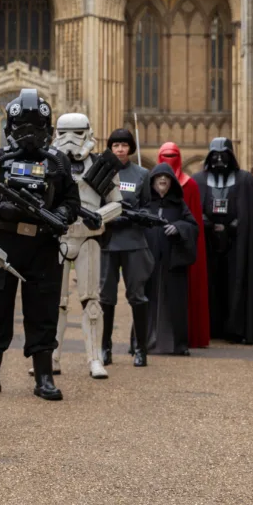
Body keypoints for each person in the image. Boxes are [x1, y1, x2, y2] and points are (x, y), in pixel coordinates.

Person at [0, 89, 80, 400]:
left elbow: (72, 201)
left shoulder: (58, 161)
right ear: (10, 129)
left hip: (43, 243)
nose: (29, 135)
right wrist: (0, 208)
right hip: (4, 241)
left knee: (44, 308)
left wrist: (59, 213)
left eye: (36, 128)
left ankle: (43, 376)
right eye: (23, 128)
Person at [48, 113, 122, 379]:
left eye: (77, 133)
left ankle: (94, 358)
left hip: (88, 237)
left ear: (88, 133)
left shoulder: (100, 166)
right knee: (56, 302)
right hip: (59, 236)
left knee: (91, 301)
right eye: (65, 133)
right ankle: (51, 357)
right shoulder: (51, 164)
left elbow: (117, 202)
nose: (70, 140)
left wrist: (100, 216)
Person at [192, 138, 253, 345]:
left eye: (223, 155)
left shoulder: (244, 179)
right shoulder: (199, 180)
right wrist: (206, 222)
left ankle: (236, 327)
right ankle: (211, 326)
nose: (219, 159)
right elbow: (191, 211)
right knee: (210, 283)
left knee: (236, 283)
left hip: (237, 243)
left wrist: (237, 224)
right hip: (208, 242)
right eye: (215, 156)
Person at [98, 128, 154, 367]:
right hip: (107, 242)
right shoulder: (101, 172)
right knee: (105, 297)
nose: (120, 149)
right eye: (116, 145)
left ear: (130, 148)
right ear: (110, 148)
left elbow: (148, 207)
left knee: (137, 296)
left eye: (124, 145)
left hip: (133, 241)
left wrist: (135, 217)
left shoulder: (142, 174)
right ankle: (104, 348)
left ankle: (140, 349)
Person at [137, 163, 198, 355]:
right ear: (152, 182)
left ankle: (176, 344)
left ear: (171, 183)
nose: (162, 181)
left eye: (166, 178)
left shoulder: (178, 204)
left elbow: (193, 226)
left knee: (174, 303)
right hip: (149, 260)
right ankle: (142, 343)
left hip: (172, 263)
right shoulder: (145, 204)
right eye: (158, 178)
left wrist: (179, 227)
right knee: (145, 300)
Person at [157, 143, 210, 348]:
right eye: (165, 156)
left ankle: (184, 337)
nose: (169, 160)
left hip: (181, 248)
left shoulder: (190, 185)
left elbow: (193, 221)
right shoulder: (151, 185)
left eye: (173, 156)